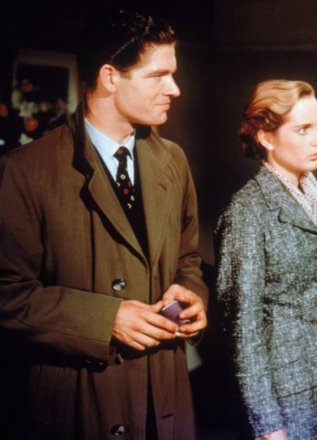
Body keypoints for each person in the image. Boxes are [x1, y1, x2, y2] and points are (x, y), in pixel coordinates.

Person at [0, 9, 208, 440]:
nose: (175, 88)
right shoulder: (24, 171)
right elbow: (8, 296)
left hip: (164, 402)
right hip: (77, 407)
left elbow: (188, 260)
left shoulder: (173, 161)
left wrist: (192, 294)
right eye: (159, 75)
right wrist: (104, 320)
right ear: (111, 77)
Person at [214, 79, 317, 440]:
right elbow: (243, 329)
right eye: (303, 129)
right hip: (281, 395)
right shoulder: (248, 211)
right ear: (266, 137)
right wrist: (267, 424)